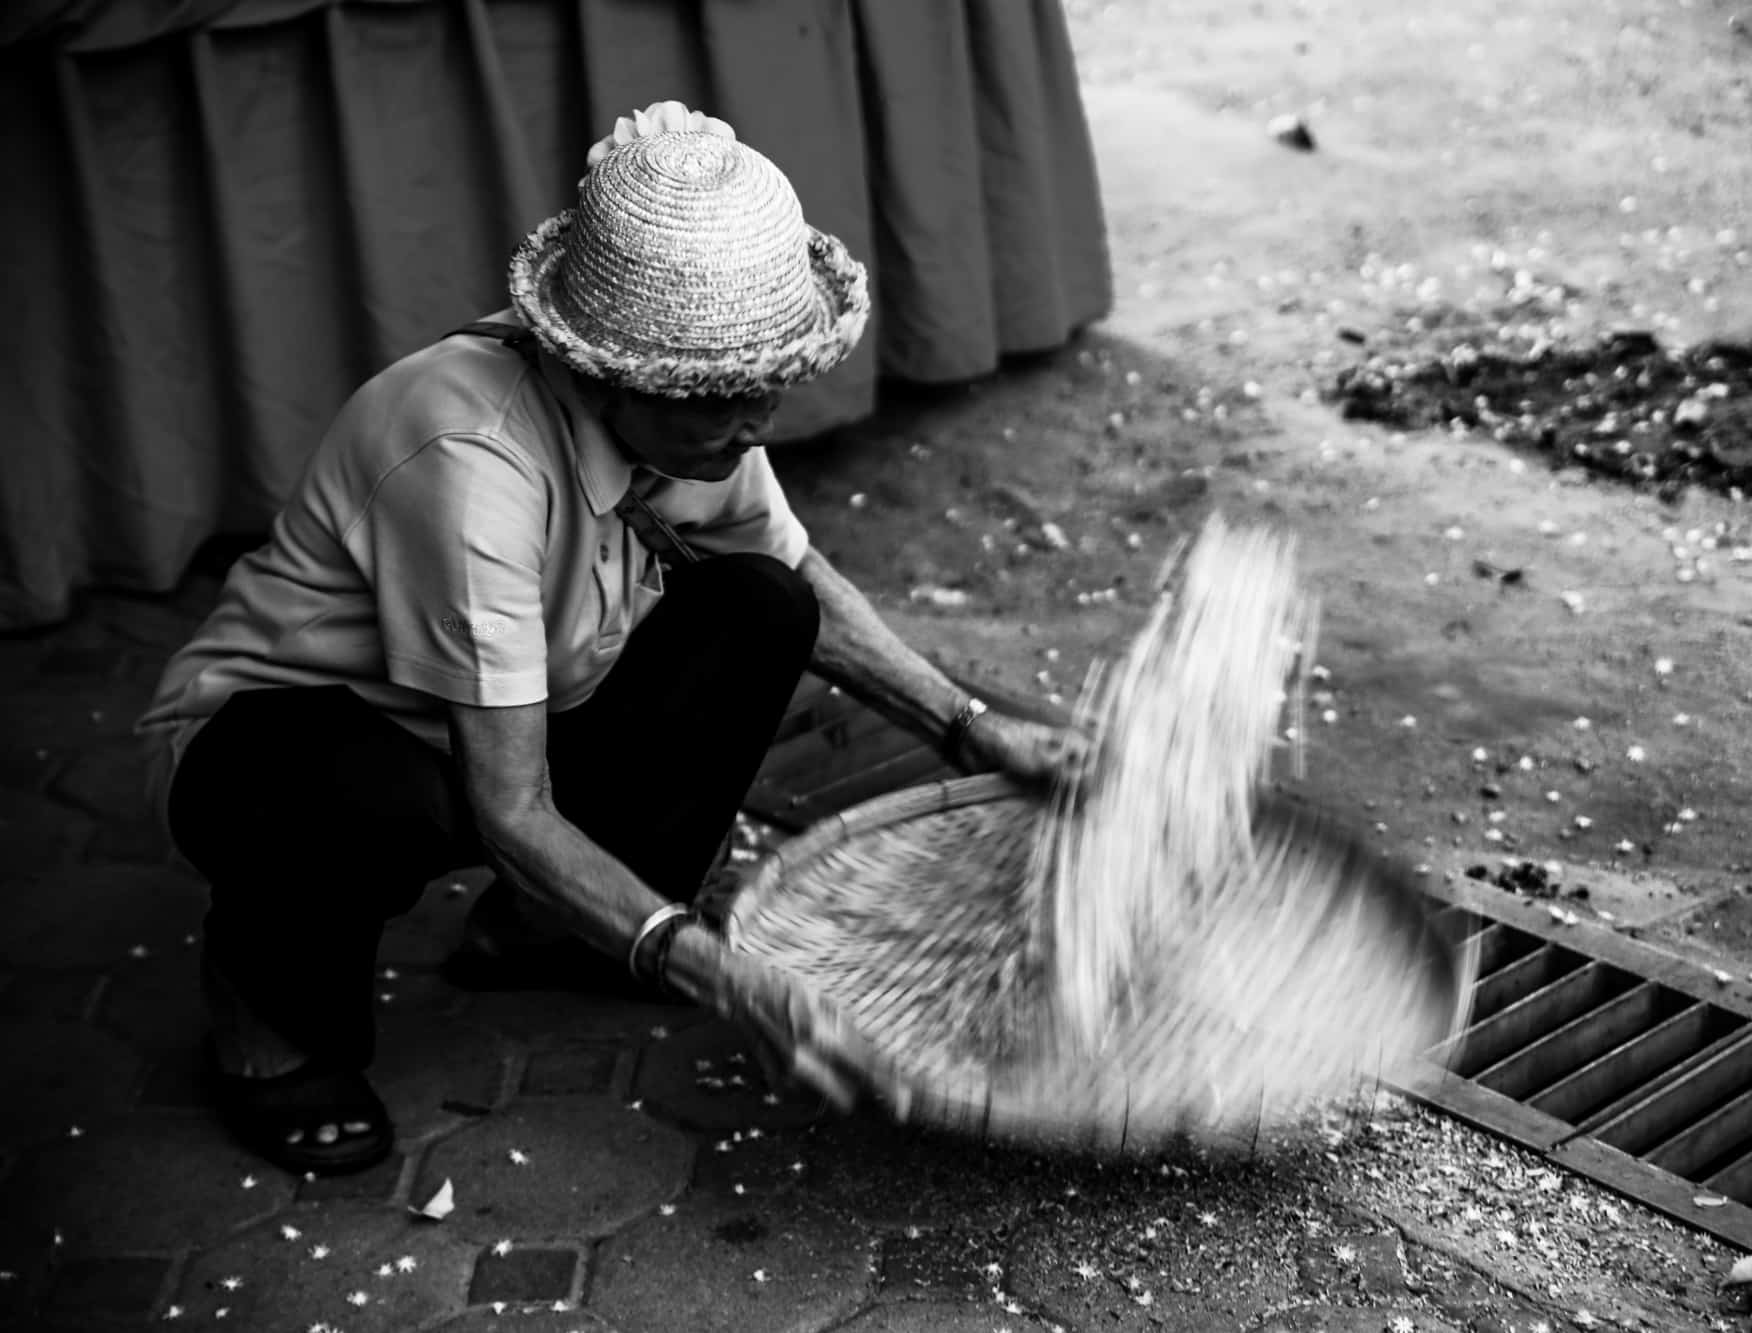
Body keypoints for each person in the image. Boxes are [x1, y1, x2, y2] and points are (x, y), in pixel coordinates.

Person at [137, 101, 1086, 1177]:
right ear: (604, 372)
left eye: (769, 386)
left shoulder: (698, 416)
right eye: (725, 399)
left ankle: (545, 931)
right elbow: (509, 807)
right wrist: (716, 971)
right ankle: (269, 1029)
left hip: (520, 709)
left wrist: (970, 729)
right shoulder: (469, 461)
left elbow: (800, 574)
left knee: (762, 606)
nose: (757, 422)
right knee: (370, 799)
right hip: (299, 745)